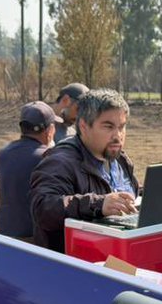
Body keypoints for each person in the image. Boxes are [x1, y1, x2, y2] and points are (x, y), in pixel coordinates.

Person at [30, 88, 139, 252]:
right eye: (108, 127)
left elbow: (125, 193)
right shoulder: (60, 162)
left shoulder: (119, 159)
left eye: (122, 127)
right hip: (75, 263)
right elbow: (43, 208)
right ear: (84, 126)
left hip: (121, 255)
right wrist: (98, 204)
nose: (118, 135)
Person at [0, 101, 62, 239]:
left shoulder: (3, 153)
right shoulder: (48, 157)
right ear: (50, 130)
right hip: (34, 238)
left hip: (5, 234)